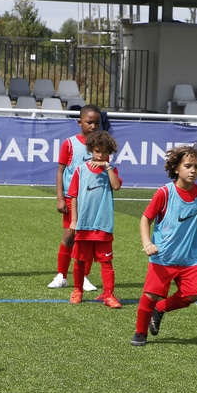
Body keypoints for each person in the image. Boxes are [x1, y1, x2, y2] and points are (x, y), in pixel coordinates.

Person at [132, 144, 197, 347]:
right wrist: (147, 243)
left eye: (196, 167)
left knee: (194, 294)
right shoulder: (164, 193)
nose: (192, 170)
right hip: (163, 256)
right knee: (149, 295)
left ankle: (160, 309)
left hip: (189, 258)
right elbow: (145, 219)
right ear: (176, 168)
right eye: (187, 165)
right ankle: (140, 333)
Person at [67, 130, 123, 308]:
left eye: (105, 152)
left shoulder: (111, 170)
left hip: (103, 224)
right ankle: (77, 290)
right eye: (98, 151)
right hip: (84, 223)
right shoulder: (80, 170)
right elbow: (74, 195)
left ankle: (109, 295)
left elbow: (116, 186)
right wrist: (74, 220)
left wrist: (107, 168)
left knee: (106, 261)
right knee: (80, 260)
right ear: (91, 150)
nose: (101, 155)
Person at [49, 105, 101, 292]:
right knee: (69, 237)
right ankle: (61, 275)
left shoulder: (101, 146)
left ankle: (84, 277)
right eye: (89, 122)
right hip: (73, 199)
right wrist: (60, 198)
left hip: (92, 200)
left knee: (87, 240)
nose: (93, 126)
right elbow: (61, 171)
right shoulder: (69, 144)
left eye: (96, 122)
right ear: (80, 122)